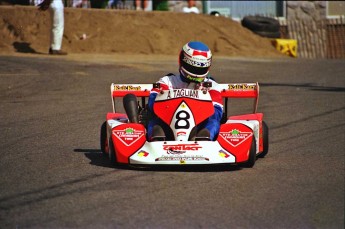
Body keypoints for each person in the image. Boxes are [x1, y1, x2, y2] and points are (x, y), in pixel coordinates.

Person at [147, 41, 223, 141]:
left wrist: (198, 110)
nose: (194, 74)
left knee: (212, 122)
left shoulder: (211, 86)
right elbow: (153, 101)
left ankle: (204, 138)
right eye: (192, 68)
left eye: (198, 70)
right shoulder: (168, 81)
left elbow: (216, 112)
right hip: (168, 126)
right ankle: (157, 140)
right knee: (155, 121)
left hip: (199, 127)